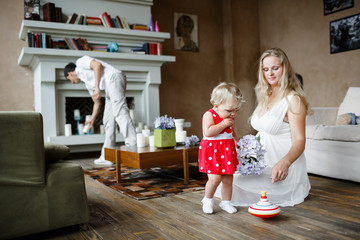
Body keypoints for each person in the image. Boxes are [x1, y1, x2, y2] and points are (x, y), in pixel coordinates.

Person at [216, 48, 311, 207]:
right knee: (223, 179)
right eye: (266, 69)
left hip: (282, 166)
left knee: (232, 183)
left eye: (275, 68)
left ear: (285, 68)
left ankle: (289, 186)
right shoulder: (265, 95)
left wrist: (285, 163)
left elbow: (300, 140)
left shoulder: (293, 99)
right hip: (261, 161)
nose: (270, 73)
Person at [64, 55, 137, 165]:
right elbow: (97, 102)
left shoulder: (80, 63)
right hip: (109, 87)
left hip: (114, 78)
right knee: (108, 120)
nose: (72, 82)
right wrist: (92, 119)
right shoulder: (88, 84)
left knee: (119, 111)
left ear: (69, 74)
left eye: (69, 80)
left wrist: (97, 88)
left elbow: (97, 65)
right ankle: (108, 155)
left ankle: (133, 146)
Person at [198, 82, 244, 214]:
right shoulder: (209, 115)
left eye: (236, 110)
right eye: (229, 111)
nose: (233, 114)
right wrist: (223, 124)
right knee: (215, 178)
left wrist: (235, 140)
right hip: (213, 151)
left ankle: (226, 202)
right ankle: (207, 200)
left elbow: (230, 131)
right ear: (216, 106)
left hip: (226, 150)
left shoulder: (228, 116)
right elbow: (208, 132)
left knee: (228, 179)